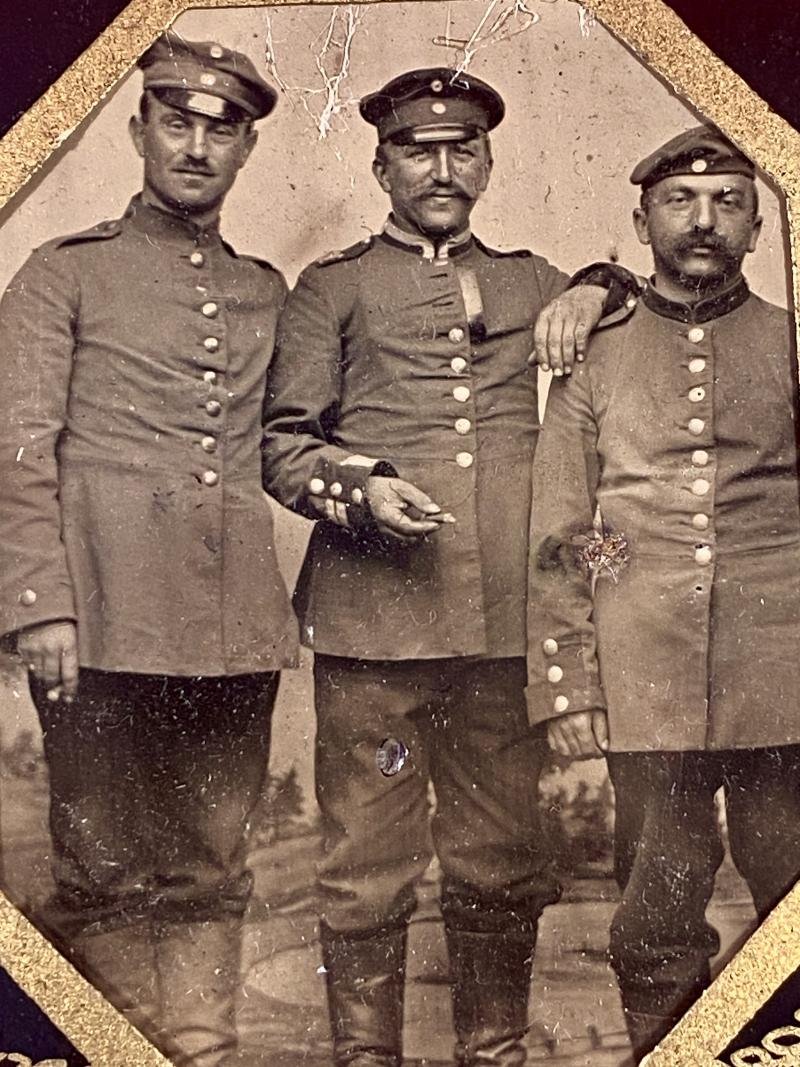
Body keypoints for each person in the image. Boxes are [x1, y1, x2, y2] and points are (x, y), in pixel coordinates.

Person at [261, 67, 638, 1067]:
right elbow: (285, 443)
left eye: (460, 147)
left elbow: (646, 312)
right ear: (381, 163)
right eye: (418, 150)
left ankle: (494, 1049)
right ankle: (366, 1058)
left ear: (484, 161)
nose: (440, 167)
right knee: (364, 862)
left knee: (503, 856)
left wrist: (603, 283)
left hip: (502, 629)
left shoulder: (529, 281)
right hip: (373, 628)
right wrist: (365, 482)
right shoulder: (330, 289)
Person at [0, 33, 298, 1067]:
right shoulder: (60, 273)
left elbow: (286, 442)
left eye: (222, 130)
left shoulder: (267, 290)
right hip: (99, 621)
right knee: (103, 871)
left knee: (213, 865)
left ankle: (203, 1054)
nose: (197, 146)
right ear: (139, 129)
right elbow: (17, 444)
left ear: (246, 150)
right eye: (177, 121)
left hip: (231, 629)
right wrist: (40, 600)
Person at [526, 126, 800, 1064]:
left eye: (729, 201)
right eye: (681, 202)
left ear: (759, 229)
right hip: (645, 676)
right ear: (640, 220)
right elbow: (566, 533)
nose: (703, 220)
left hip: (784, 674)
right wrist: (572, 686)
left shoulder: (788, 340)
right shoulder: (595, 354)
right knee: (654, 911)